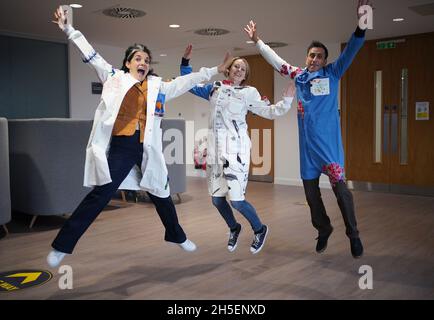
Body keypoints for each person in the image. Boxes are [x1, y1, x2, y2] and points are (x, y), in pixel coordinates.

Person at [47, 6, 231, 267]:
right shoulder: (113, 78)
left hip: (148, 148)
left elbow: (186, 82)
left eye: (146, 59)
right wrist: (68, 29)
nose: (143, 62)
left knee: (161, 194)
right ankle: (62, 246)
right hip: (122, 147)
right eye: (138, 58)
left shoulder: (158, 87)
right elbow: (91, 54)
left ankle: (177, 236)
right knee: (100, 195)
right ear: (127, 63)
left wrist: (214, 69)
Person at [244, 0, 372, 258]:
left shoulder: (333, 73)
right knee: (312, 199)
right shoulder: (298, 76)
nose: (314, 59)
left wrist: (362, 22)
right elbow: (276, 61)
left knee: (342, 194)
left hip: (330, 150)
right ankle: (323, 229)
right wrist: (258, 42)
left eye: (319, 56)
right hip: (308, 153)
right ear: (306, 58)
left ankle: (353, 235)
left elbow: (354, 47)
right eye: (311, 55)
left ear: (326, 60)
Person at [180, 45, 295, 254]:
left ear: (245, 75)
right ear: (228, 69)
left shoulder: (249, 93)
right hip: (215, 152)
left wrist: (286, 101)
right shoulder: (214, 88)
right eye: (236, 66)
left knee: (237, 201)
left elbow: (269, 112)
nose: (239, 70)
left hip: (237, 152)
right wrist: (185, 63)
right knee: (216, 200)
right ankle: (235, 227)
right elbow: (188, 84)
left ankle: (260, 229)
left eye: (243, 69)